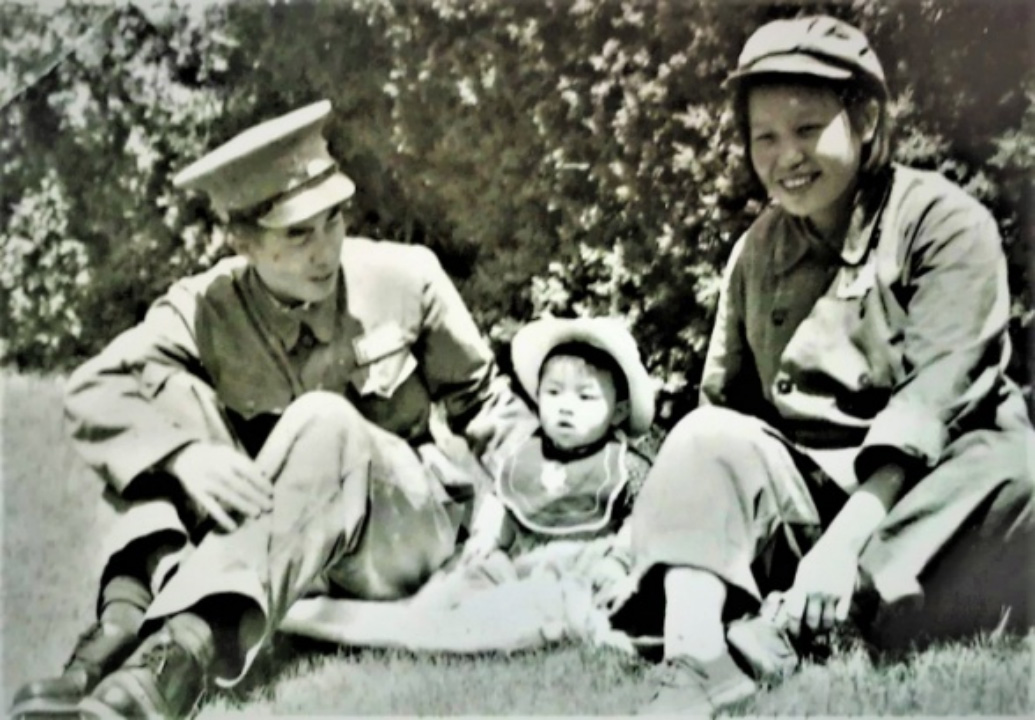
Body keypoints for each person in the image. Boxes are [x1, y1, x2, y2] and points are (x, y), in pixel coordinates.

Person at [9, 99, 531, 719]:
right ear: (244, 241)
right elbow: (94, 388)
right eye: (297, 234)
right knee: (161, 409)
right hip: (281, 546)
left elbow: (487, 404)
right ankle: (115, 637)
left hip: (399, 532)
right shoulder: (207, 306)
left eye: (333, 220)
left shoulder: (406, 278)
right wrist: (183, 457)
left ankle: (178, 660)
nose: (324, 251)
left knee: (324, 420)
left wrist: (556, 495)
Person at [620, 15, 1035, 716]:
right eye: (764, 137)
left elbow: (937, 396)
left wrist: (845, 548)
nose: (787, 156)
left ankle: (790, 631)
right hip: (809, 504)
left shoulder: (942, 222)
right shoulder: (755, 252)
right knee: (702, 435)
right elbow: (726, 415)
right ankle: (692, 658)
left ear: (865, 119)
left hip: (930, 501)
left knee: (1020, 466)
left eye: (807, 128)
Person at [277, 316, 656, 654]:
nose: (566, 406)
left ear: (619, 411)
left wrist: (619, 560)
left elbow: (643, 520)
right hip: (517, 563)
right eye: (553, 393)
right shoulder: (526, 454)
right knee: (452, 590)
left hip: (582, 563)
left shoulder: (624, 465)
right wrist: (487, 537)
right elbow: (501, 501)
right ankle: (382, 619)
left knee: (540, 606)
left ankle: (418, 628)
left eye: (585, 396)